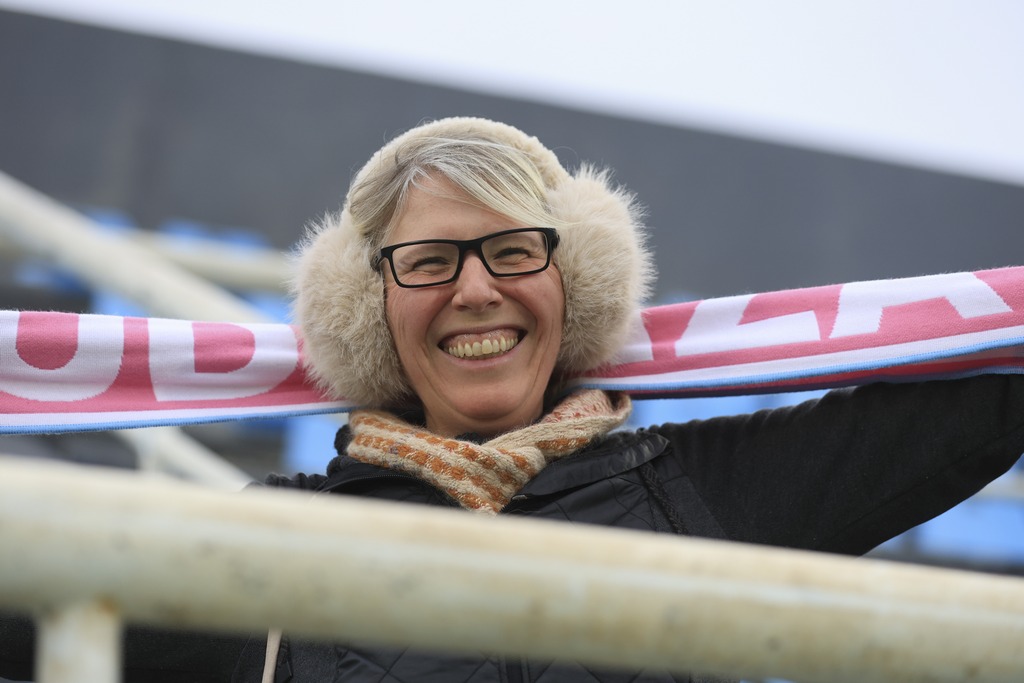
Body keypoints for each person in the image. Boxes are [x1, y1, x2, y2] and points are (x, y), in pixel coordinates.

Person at [2, 117, 1023, 682]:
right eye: (429, 261)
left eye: (512, 250)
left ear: (572, 281)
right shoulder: (264, 549)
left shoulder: (702, 494)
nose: (476, 289)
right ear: (369, 309)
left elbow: (981, 408)